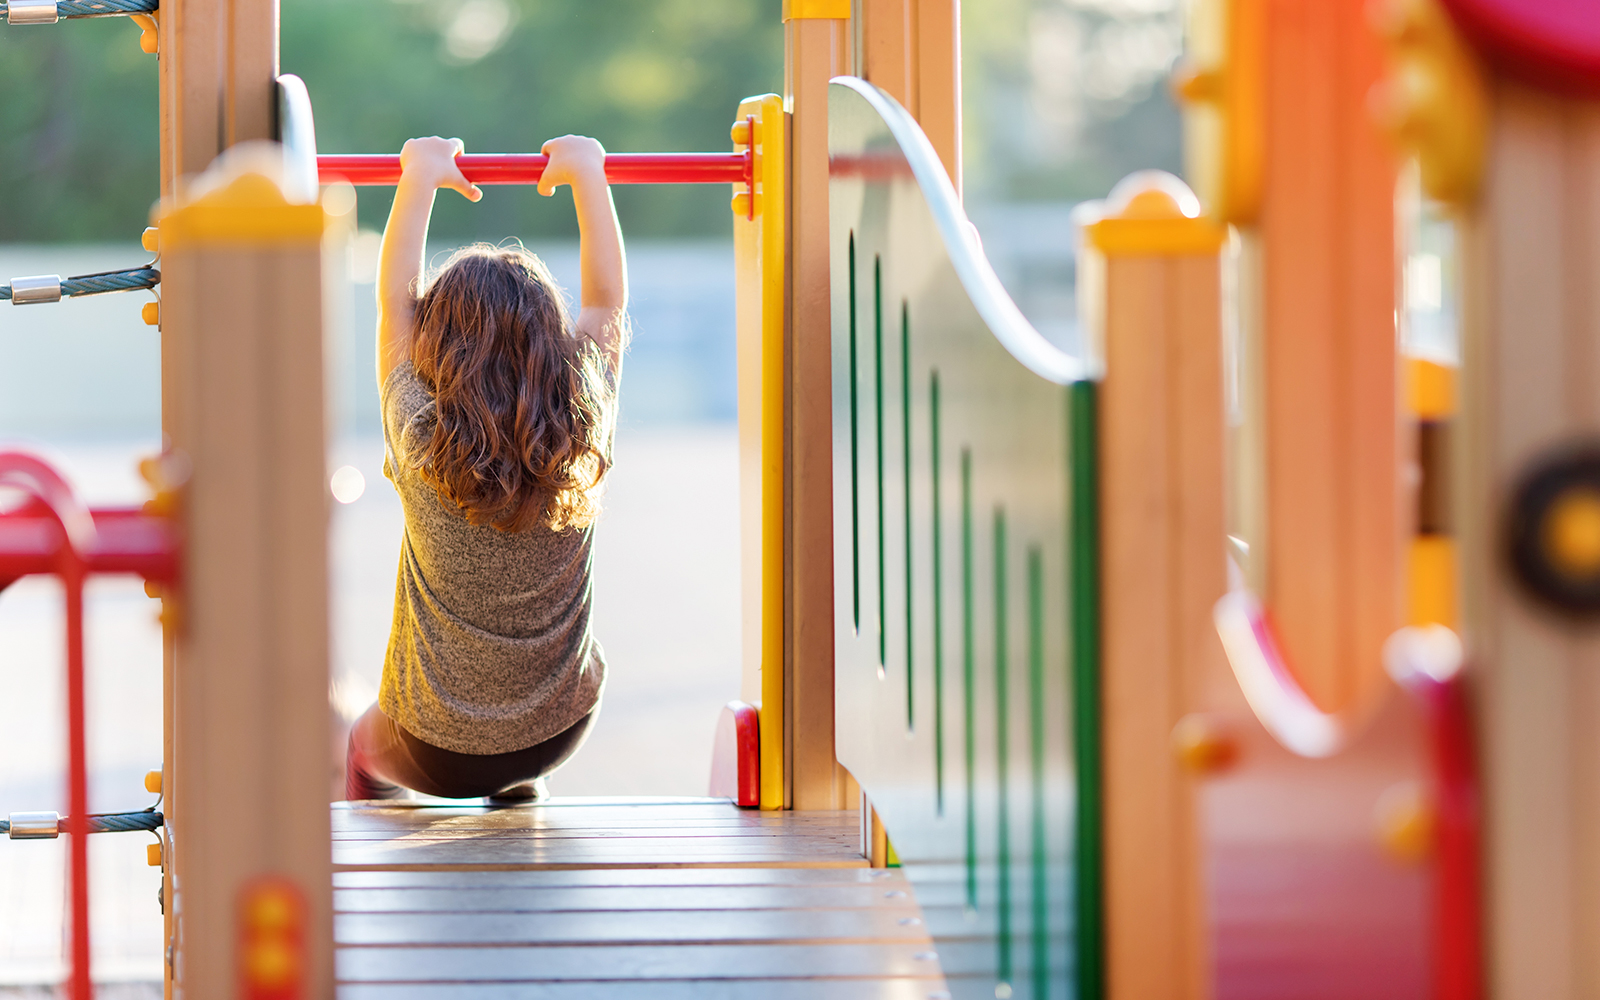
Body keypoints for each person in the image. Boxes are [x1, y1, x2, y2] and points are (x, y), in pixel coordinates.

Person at [344, 134, 626, 802]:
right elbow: (607, 306)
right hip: (561, 730)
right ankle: (517, 787)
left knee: (356, 743)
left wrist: (418, 177)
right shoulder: (583, 419)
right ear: (552, 342)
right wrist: (590, 175)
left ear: (434, 345)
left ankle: (377, 850)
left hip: (432, 750)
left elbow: (394, 301)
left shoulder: (419, 433)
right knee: (514, 744)